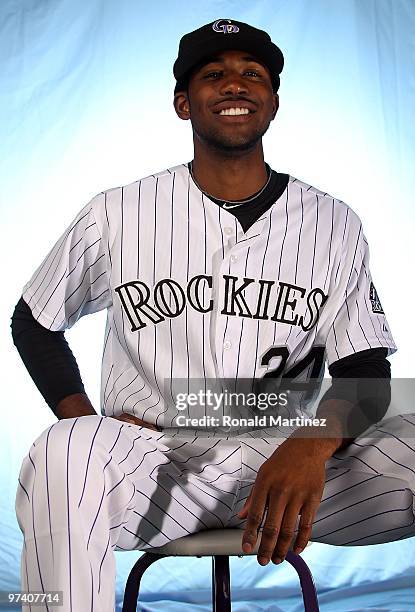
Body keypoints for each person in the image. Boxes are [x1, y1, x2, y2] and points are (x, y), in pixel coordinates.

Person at [12, 18, 415, 612]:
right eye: (213, 74)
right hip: (154, 465)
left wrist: (312, 447)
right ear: (184, 102)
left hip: (288, 465)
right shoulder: (118, 213)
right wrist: (89, 426)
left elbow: (367, 368)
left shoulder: (334, 223)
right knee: (61, 451)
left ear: (273, 102)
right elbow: (34, 321)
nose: (235, 85)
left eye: (253, 74)